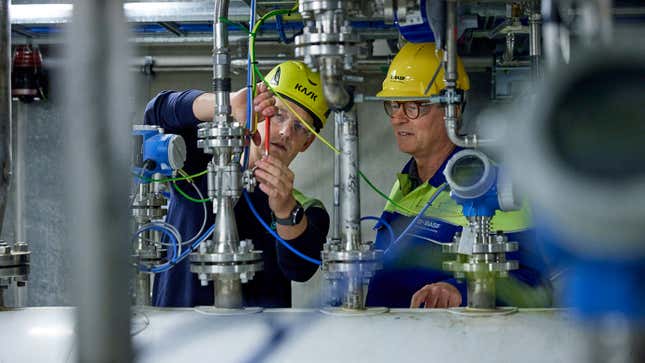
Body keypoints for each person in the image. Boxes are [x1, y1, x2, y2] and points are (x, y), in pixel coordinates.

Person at [365, 42, 553, 309]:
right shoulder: (406, 183)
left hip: (450, 344)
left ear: (453, 109)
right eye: (394, 105)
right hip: (389, 341)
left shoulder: (492, 186)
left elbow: (534, 280)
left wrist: (461, 291)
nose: (398, 118)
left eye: (414, 106)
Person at [144, 61, 331, 307]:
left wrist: (285, 209)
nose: (286, 132)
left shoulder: (304, 209)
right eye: (278, 114)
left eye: (300, 127)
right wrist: (227, 104)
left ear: (306, 143)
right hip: (180, 336)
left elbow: (300, 268)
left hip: (256, 344)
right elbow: (157, 112)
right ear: (258, 111)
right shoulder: (197, 166)